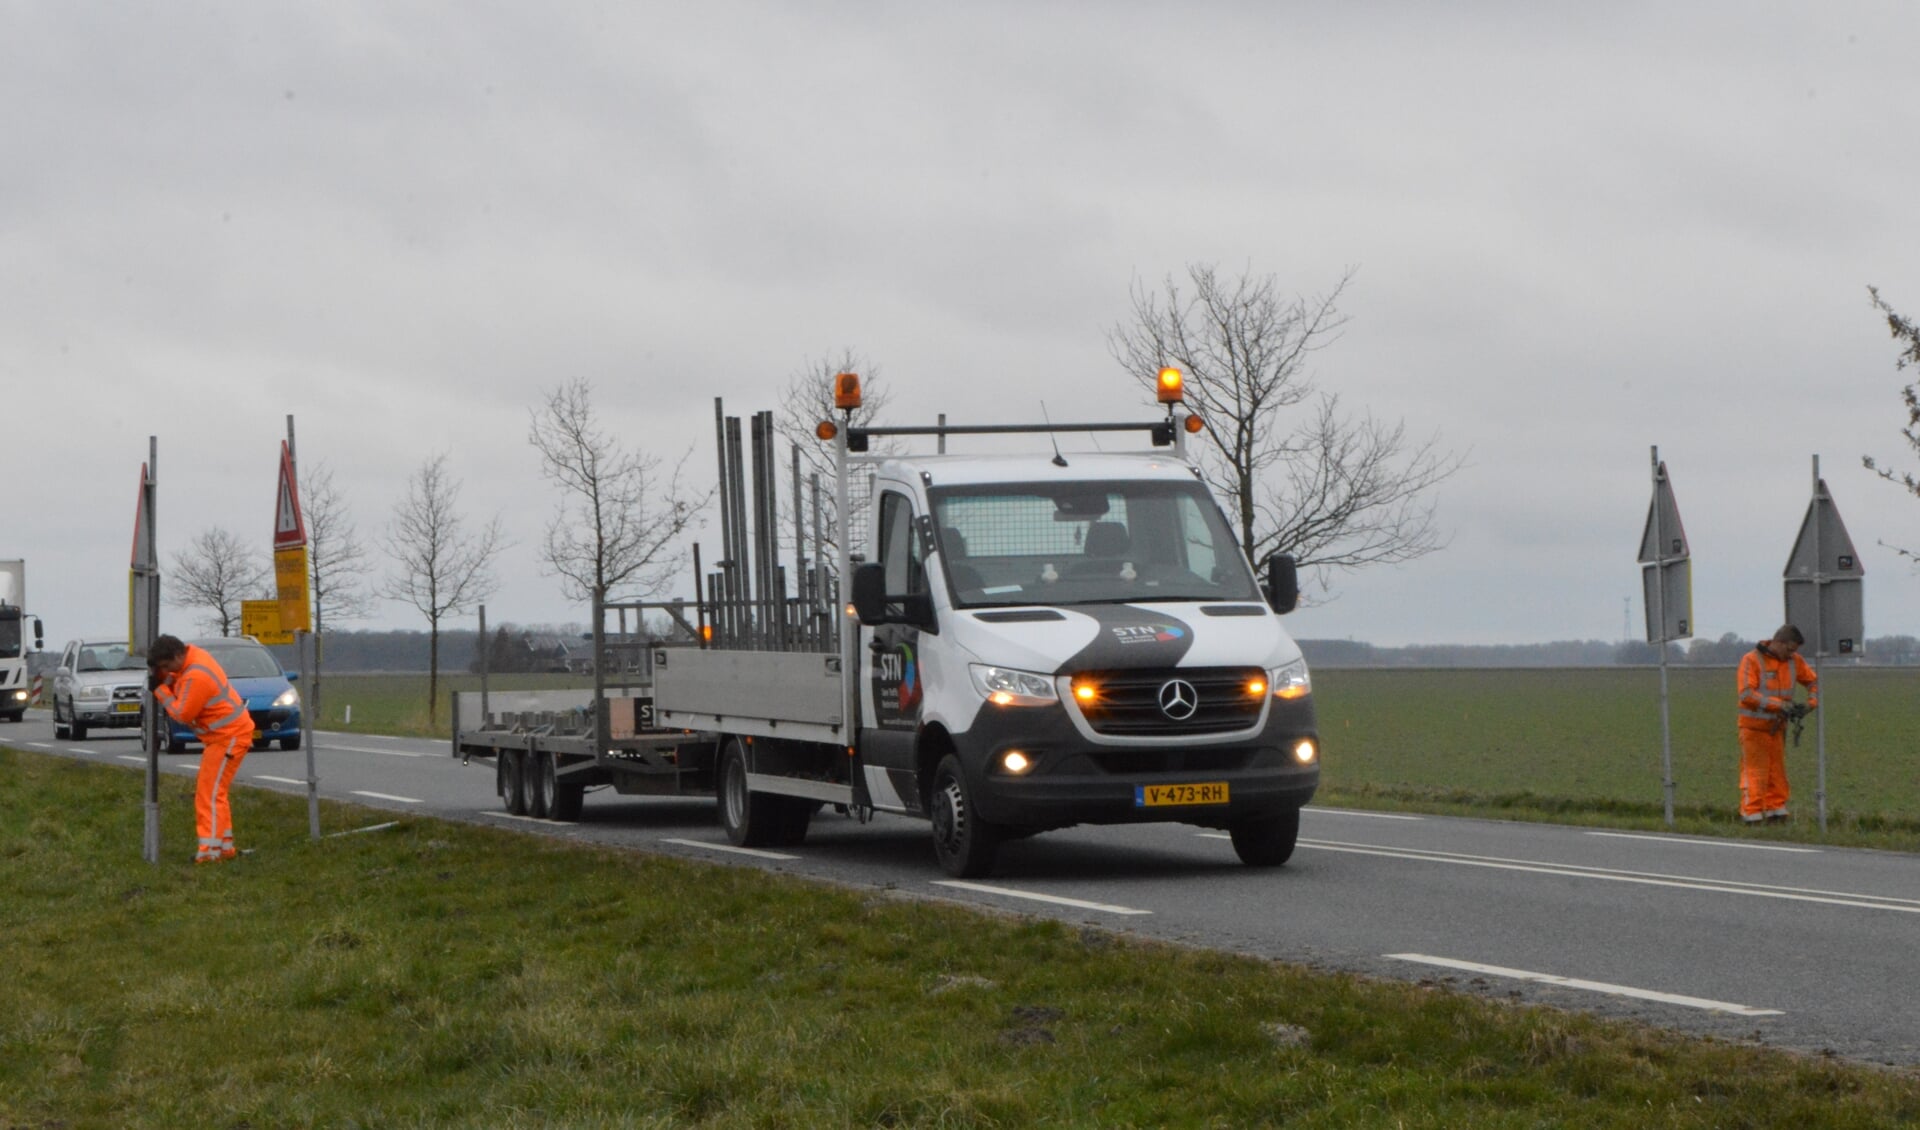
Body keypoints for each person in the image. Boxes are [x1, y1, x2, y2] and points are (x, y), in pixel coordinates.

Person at [148, 634, 257, 863]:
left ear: (178, 655)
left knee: (208, 795)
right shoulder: (192, 660)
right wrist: (165, 679)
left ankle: (209, 853)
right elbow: (180, 681)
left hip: (228, 737)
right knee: (215, 793)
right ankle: (224, 847)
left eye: (167, 666)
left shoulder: (196, 675)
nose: (167, 671)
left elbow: (181, 713)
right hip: (226, 736)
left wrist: (160, 691)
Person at [1735, 624, 1818, 824]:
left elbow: (1814, 682)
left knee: (1776, 771)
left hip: (1778, 727)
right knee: (1755, 771)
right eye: (1789, 649)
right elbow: (1747, 694)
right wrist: (1780, 706)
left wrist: (1810, 704)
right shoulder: (1751, 660)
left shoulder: (1794, 661)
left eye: (1794, 651)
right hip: (1753, 728)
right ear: (1778, 643)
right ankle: (1751, 814)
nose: (1792, 654)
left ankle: (1776, 810)